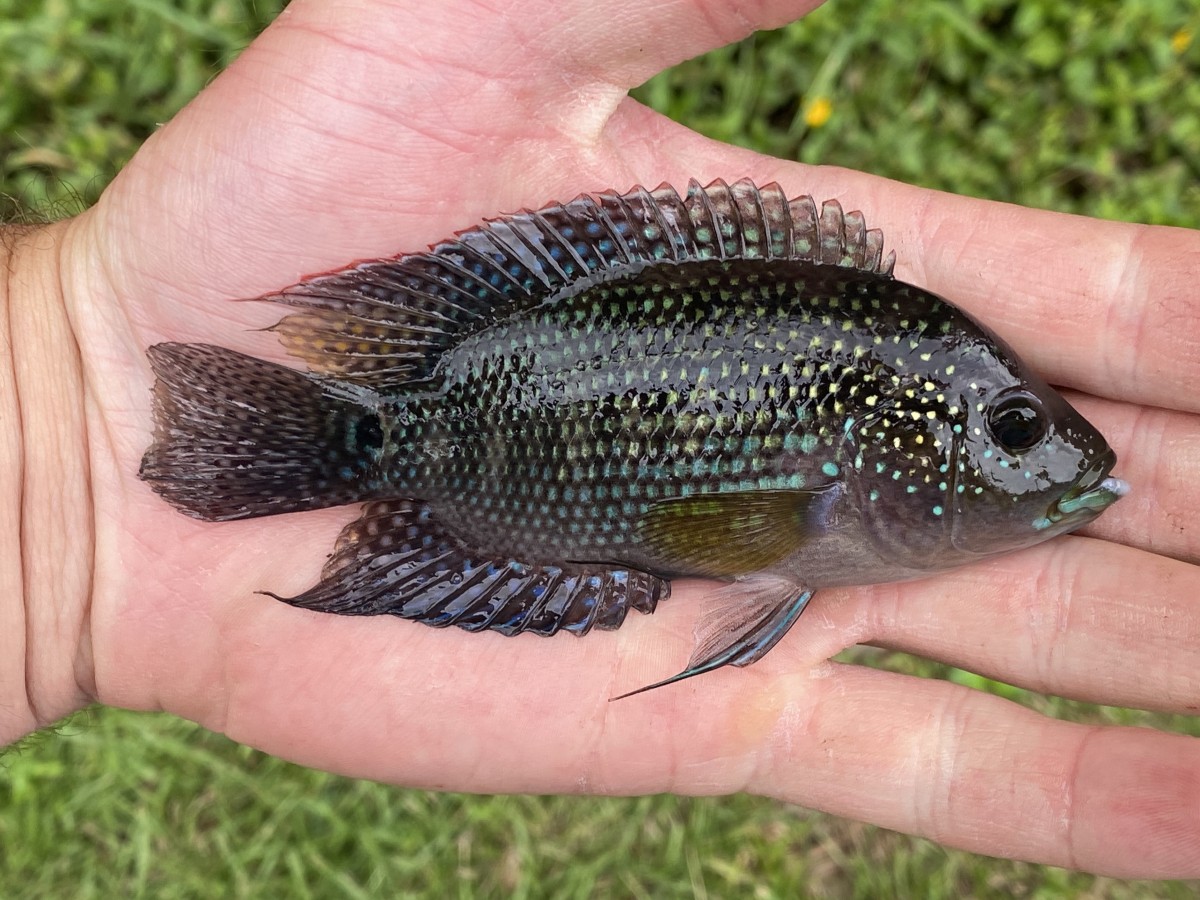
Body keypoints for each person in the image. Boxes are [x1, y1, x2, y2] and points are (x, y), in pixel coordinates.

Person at [3, 0, 1198, 878]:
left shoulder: (856, 443)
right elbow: (724, 531)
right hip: (473, 409)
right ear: (886, 440)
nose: (1049, 459)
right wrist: (51, 377)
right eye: (1012, 425)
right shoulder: (832, 466)